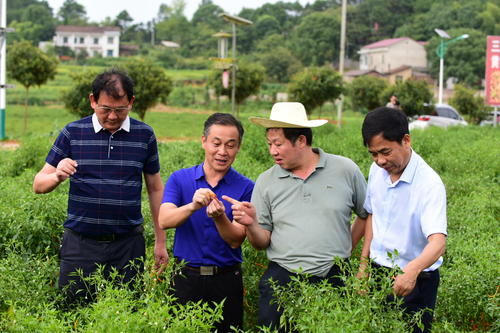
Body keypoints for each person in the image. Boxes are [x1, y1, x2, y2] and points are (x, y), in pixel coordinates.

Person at [223, 102, 368, 332]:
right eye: (270, 144)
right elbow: (261, 243)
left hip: (334, 277)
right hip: (283, 278)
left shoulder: (345, 170)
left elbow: (366, 214)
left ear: (301, 141)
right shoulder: (266, 181)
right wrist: (250, 224)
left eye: (278, 144)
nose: (272, 151)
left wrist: (347, 249)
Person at [33, 69, 167, 305]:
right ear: (92, 101)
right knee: (74, 311)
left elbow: (155, 188)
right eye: (106, 109)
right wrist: (57, 175)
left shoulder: (144, 135)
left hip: (127, 245)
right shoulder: (73, 132)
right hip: (80, 245)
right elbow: (38, 184)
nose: (113, 116)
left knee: (126, 312)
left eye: (120, 110)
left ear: (131, 102)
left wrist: (160, 241)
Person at [158, 113, 254, 332]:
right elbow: (164, 220)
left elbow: (236, 239)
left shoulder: (246, 187)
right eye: (216, 143)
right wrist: (193, 206)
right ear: (204, 141)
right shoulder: (180, 179)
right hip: (185, 277)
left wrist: (220, 217)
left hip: (226, 278)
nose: (223, 152)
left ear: (238, 147)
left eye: (231, 145)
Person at [359, 107, 447, 333]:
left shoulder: (429, 183)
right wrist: (364, 265)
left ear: (406, 140)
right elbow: (372, 215)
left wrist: (412, 271)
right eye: (373, 153)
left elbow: (438, 242)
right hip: (379, 272)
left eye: (385, 152)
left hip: (415, 281)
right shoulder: (377, 171)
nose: (379, 160)